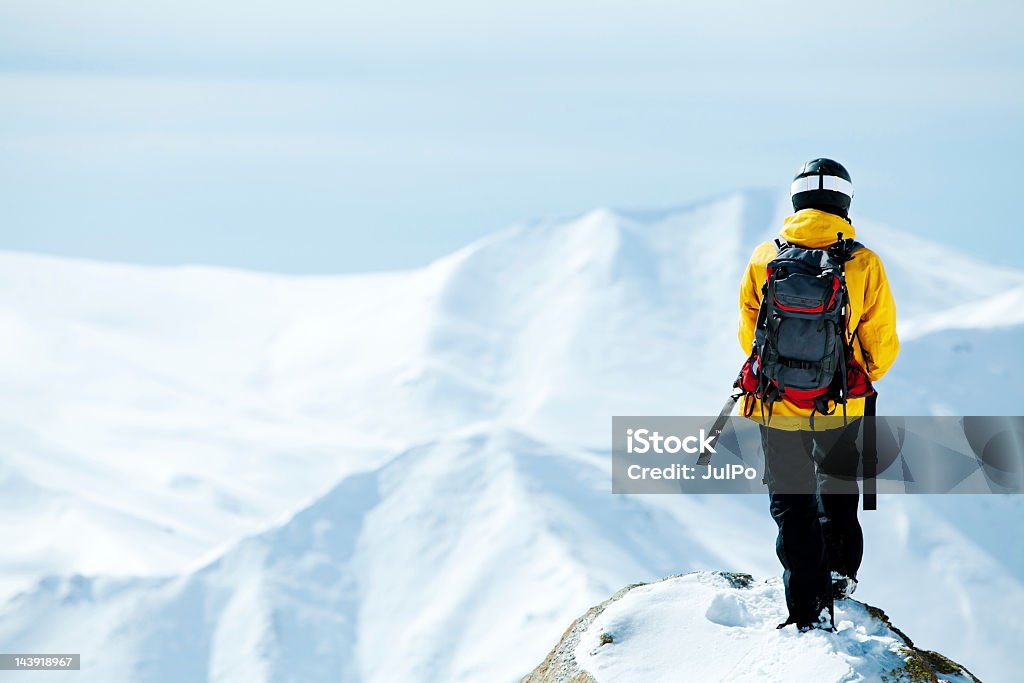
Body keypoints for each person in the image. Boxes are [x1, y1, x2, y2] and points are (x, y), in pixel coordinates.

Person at [736, 158, 899, 631]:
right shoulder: (863, 261)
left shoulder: (766, 256)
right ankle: (839, 577)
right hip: (840, 402)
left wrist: (785, 376)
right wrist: (854, 377)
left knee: (792, 502)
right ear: (844, 202)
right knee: (838, 491)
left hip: (775, 400)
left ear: (796, 200)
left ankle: (805, 607)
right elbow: (881, 339)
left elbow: (752, 330)